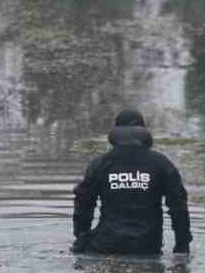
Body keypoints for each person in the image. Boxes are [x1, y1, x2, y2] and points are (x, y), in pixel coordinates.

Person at [72, 108, 191, 256]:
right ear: (144, 132)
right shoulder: (161, 163)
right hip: (147, 247)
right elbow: (178, 207)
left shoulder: (100, 163)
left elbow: (84, 203)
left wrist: (81, 238)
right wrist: (182, 246)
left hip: (105, 245)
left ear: (116, 131)